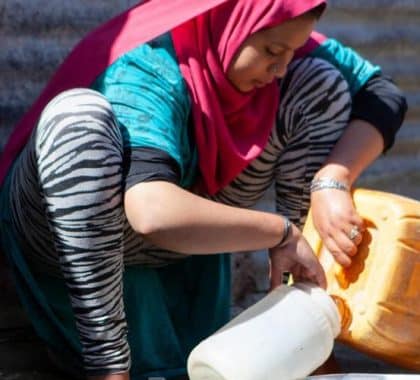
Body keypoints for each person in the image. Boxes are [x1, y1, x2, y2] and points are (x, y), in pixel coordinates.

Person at [0, 1, 407, 379]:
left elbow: (382, 95)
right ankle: (108, 366)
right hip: (85, 240)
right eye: (271, 52)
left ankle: (301, 324)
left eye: (290, 52)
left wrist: (332, 180)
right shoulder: (148, 64)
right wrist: (281, 231)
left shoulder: (275, 36)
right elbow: (151, 212)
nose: (280, 68)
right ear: (232, 22)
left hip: (182, 241)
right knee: (77, 121)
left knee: (321, 83)